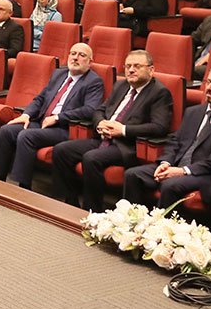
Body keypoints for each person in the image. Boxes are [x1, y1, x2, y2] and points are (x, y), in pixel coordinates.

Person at [49, 50, 174, 210]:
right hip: (103, 137)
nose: (131, 70)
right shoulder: (121, 85)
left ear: (151, 70)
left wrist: (122, 130)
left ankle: (93, 210)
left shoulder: (159, 92)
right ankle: (68, 202)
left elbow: (159, 127)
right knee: (61, 150)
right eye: (128, 66)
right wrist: (101, 122)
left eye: (137, 66)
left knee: (91, 158)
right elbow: (99, 110)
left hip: (127, 146)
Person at [122, 66, 211, 208]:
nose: (209, 88)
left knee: (169, 185)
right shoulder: (193, 112)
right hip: (176, 165)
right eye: (208, 82)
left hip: (205, 175)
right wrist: (165, 163)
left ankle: (161, 229)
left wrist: (183, 171)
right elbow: (175, 141)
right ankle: (131, 225)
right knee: (132, 175)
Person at [0, 43, 105, 188]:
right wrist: (27, 114)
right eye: (73, 53)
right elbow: (40, 98)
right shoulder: (59, 74)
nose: (75, 58)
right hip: (41, 122)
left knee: (27, 136)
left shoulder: (94, 81)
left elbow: (90, 109)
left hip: (65, 128)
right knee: (7, 130)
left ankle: (23, 187)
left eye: (82, 55)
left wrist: (58, 117)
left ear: (90, 62)